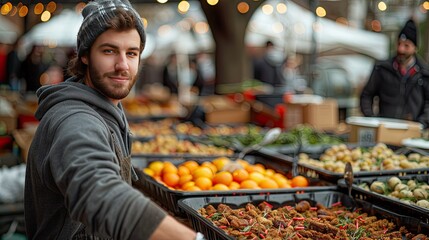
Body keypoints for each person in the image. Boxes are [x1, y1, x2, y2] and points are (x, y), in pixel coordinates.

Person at [24, 1, 204, 239]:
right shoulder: (75, 121)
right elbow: (100, 194)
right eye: (109, 51)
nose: (122, 65)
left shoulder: (106, 109)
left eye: (132, 53)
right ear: (85, 55)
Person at [360, 18, 429, 128]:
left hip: (412, 131)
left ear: (415, 48)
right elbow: (366, 95)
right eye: (399, 44)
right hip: (385, 129)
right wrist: (371, 118)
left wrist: (422, 124)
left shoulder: (424, 74)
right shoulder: (382, 68)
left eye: (406, 45)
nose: (401, 49)